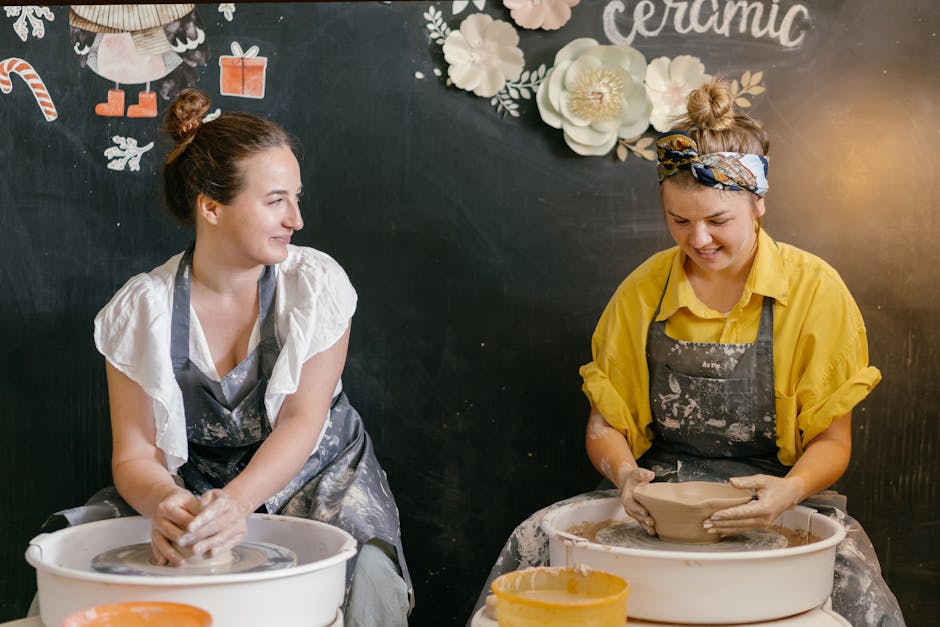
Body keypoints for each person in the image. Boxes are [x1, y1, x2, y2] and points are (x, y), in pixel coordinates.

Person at [473, 78, 904, 626]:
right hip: (657, 498)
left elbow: (832, 441)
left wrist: (789, 490)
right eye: (679, 220)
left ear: (758, 203)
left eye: (718, 220)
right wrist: (625, 474)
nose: (697, 239)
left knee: (856, 589)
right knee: (532, 542)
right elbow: (605, 425)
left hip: (779, 496)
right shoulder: (642, 290)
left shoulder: (815, 290)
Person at [41, 88, 412, 626]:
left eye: (297, 198)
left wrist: (238, 503)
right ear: (211, 207)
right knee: (79, 562)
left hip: (317, 475)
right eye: (276, 201)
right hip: (194, 483)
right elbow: (135, 453)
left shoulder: (315, 286)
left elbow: (303, 421)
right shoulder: (140, 310)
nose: (297, 220)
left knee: (367, 575)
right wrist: (165, 503)